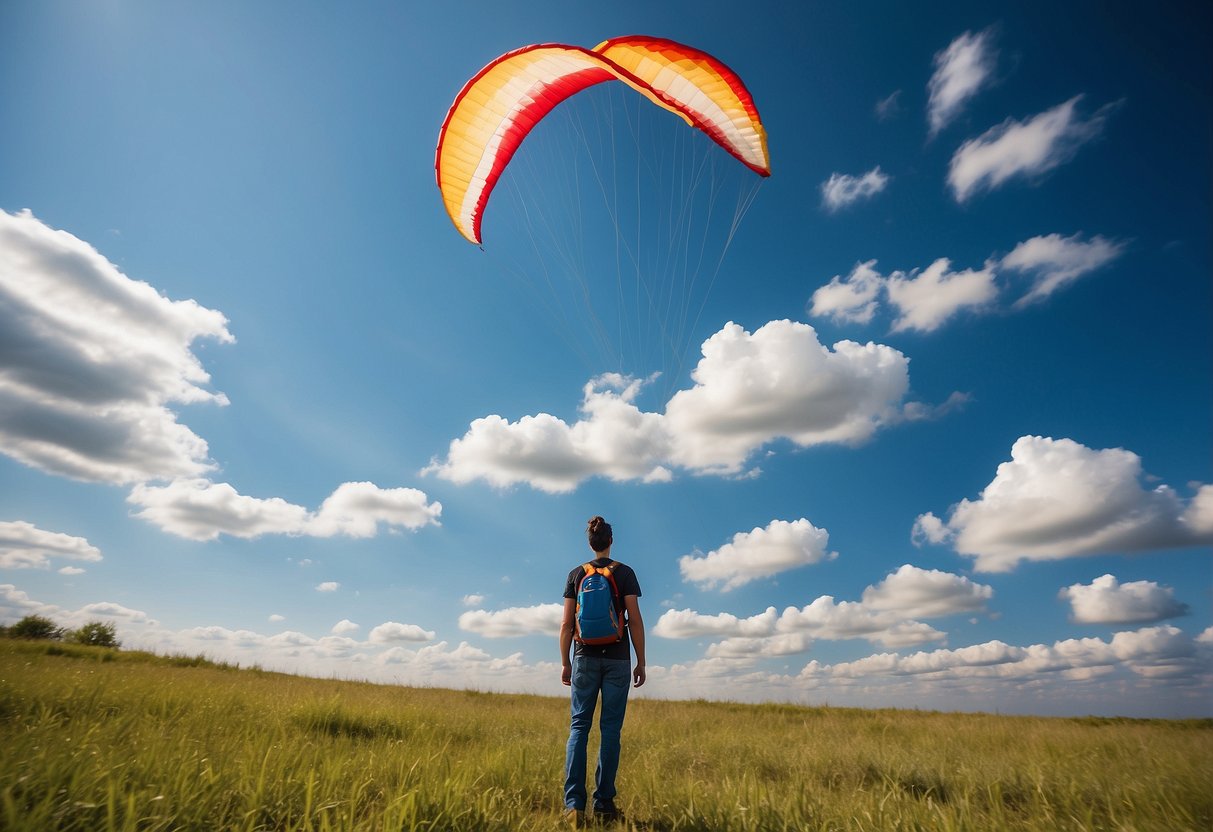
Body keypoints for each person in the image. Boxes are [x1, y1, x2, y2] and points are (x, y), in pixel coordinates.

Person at [560, 515, 645, 825]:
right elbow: (634, 619)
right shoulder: (625, 573)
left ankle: (573, 807)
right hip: (618, 659)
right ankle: (605, 806)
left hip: (583, 657)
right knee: (610, 731)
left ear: (590, 542)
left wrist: (566, 662)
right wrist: (641, 661)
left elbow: (568, 623)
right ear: (611, 541)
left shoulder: (575, 574)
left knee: (578, 728)